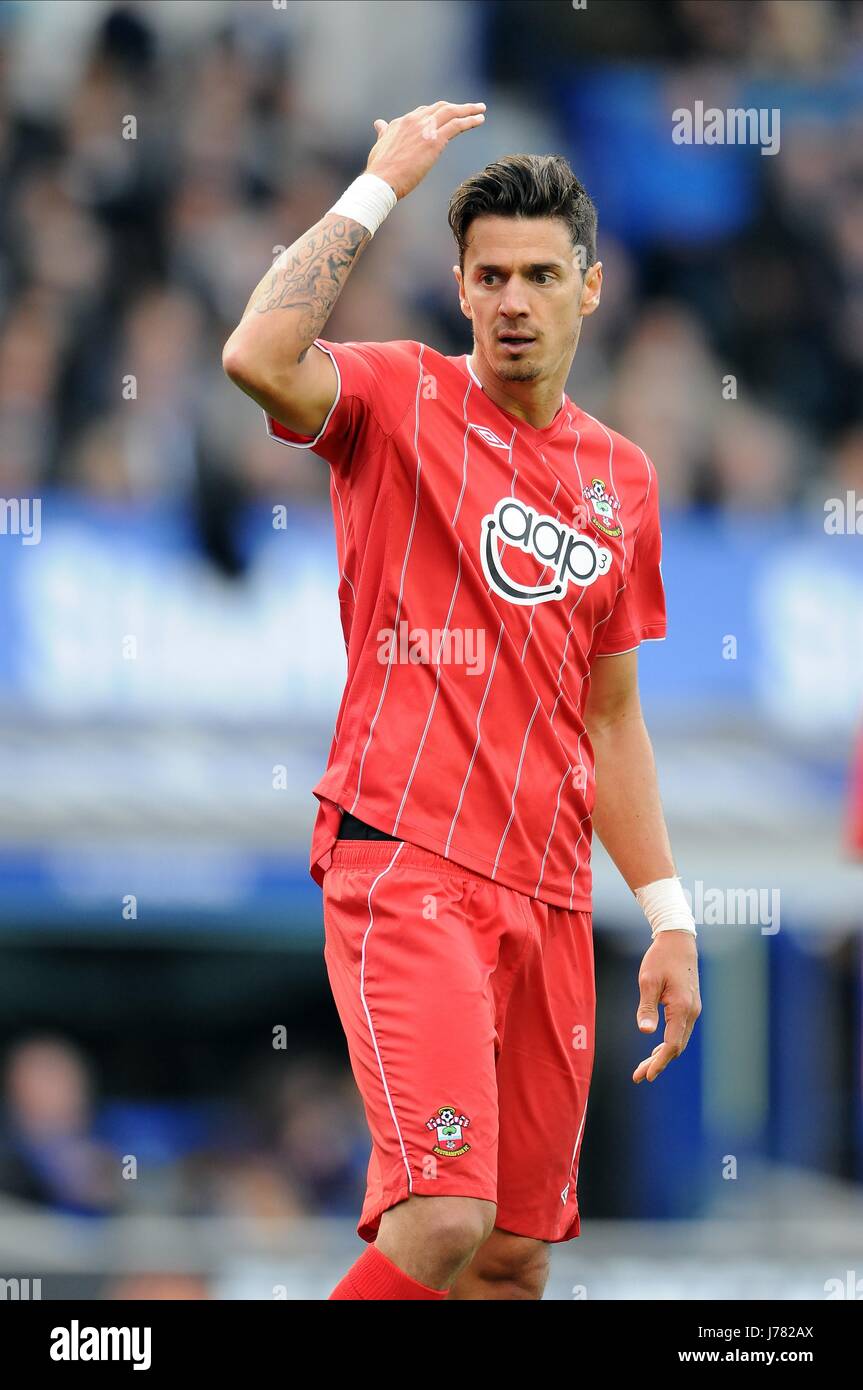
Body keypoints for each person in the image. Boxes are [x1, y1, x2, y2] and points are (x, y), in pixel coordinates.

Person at [223, 100, 701, 1301]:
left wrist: (669, 912)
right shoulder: (396, 402)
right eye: (489, 276)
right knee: (442, 1216)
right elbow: (256, 357)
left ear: (589, 289)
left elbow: (610, 716)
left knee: (508, 1261)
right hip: (406, 861)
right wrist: (375, 184)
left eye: (541, 275)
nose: (513, 301)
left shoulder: (620, 482)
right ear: (458, 287)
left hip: (546, 897)